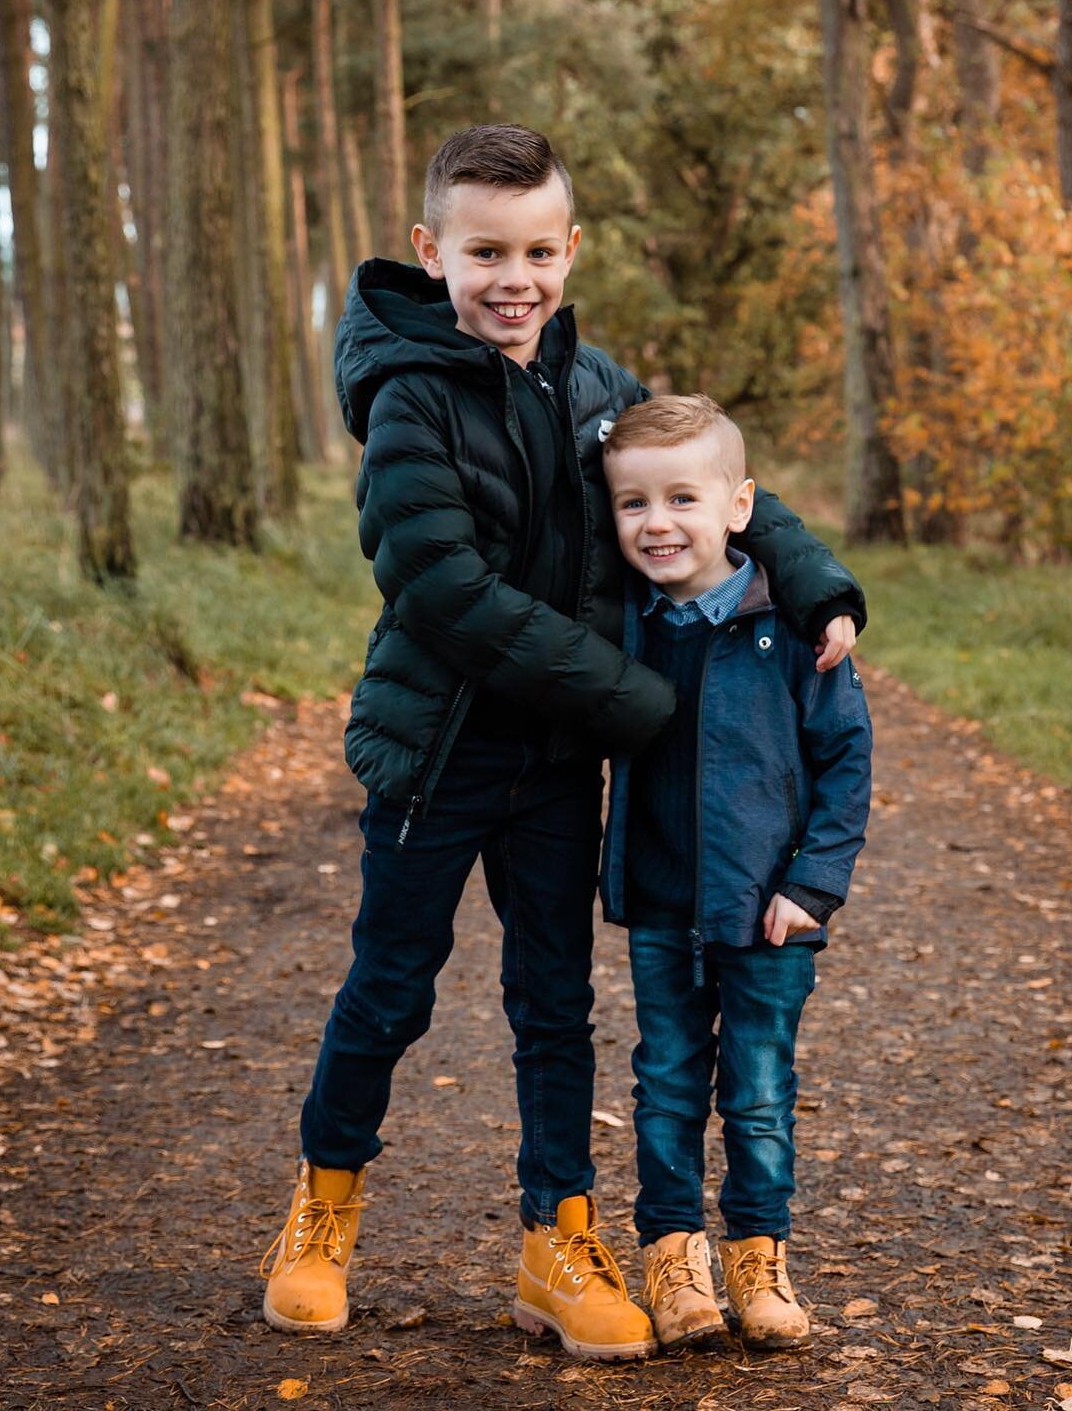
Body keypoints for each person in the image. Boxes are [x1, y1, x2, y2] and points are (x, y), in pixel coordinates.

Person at [259, 124, 865, 1359]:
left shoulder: (595, 388)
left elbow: (709, 471)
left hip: (556, 766)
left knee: (553, 1005)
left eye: (537, 250)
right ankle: (323, 1209)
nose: (514, 279)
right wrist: (645, 706)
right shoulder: (408, 400)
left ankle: (559, 1237)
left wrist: (812, 581)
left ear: (569, 250)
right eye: (486, 252)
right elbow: (448, 594)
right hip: (442, 753)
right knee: (389, 990)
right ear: (435, 253)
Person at [598, 393, 872, 1352]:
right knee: (668, 1082)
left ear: (740, 505)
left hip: (769, 913)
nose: (659, 523)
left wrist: (814, 885)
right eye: (634, 505)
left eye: (683, 498)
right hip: (664, 905)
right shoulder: (624, 625)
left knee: (757, 1092)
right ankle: (673, 1256)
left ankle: (760, 1253)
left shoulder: (795, 628)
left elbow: (846, 760)